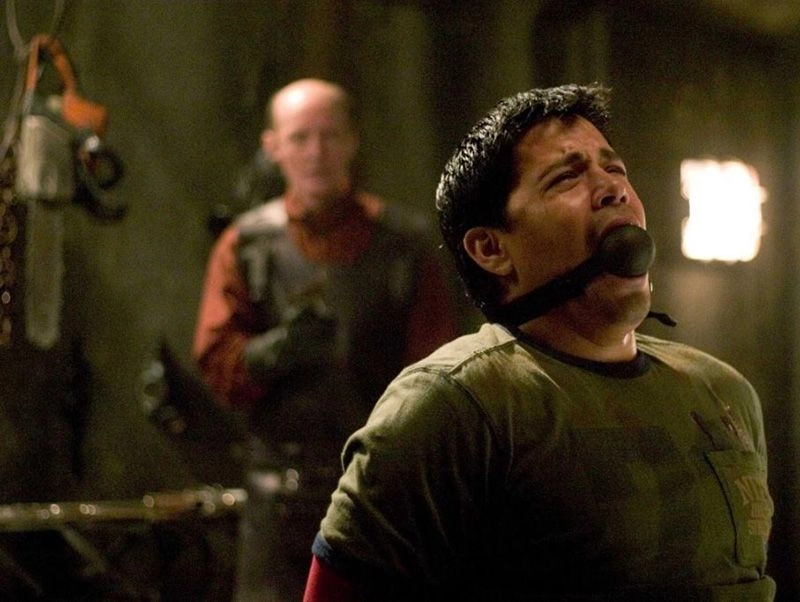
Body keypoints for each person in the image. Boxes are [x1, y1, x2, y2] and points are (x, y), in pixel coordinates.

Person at [303, 83, 775, 600]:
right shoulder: (451, 407)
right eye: (566, 177)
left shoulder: (724, 393)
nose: (612, 188)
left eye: (615, 169)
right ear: (491, 248)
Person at [192, 78, 457, 601]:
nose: (316, 152)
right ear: (273, 147)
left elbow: (437, 375)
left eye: (329, 136)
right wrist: (272, 353)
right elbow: (217, 361)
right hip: (278, 499)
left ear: (352, 141)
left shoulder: (404, 244)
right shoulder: (246, 245)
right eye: (299, 137)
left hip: (377, 495)